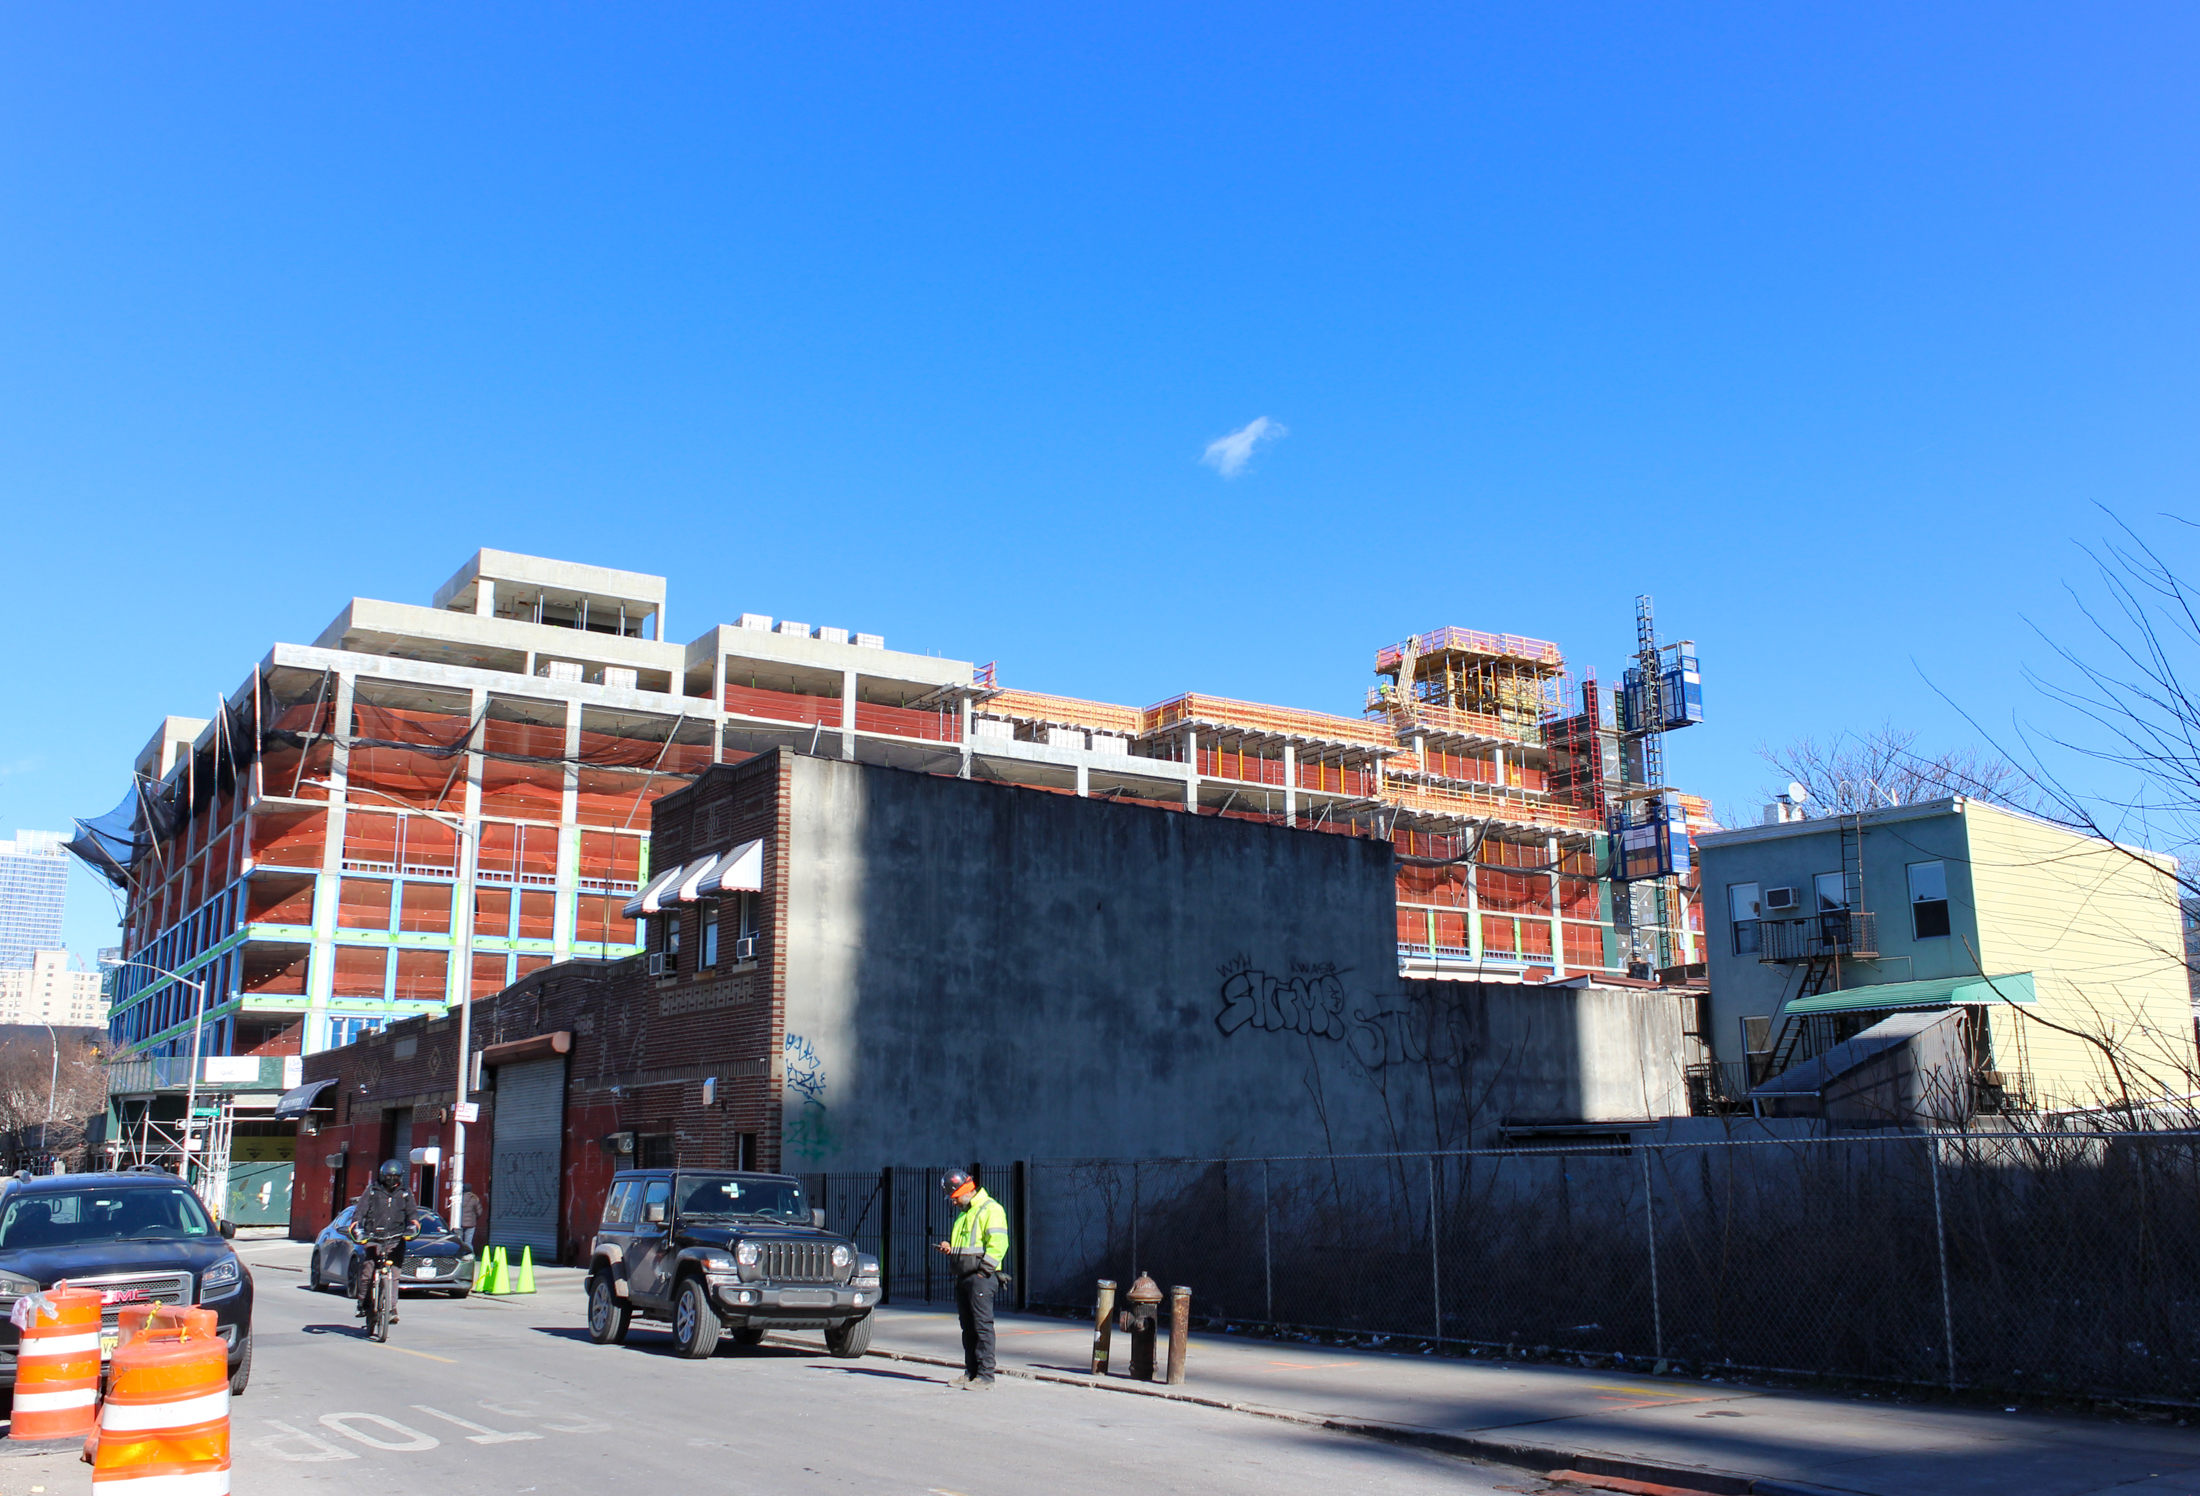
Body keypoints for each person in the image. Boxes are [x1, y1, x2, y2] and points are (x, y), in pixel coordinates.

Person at [933, 1169, 1009, 1389]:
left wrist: (984, 1271)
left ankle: (986, 1376)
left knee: (982, 1326)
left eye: (954, 1197)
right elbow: (968, 1246)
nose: (953, 1202)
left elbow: (999, 1244)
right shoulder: (965, 1213)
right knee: (968, 1327)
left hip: (980, 1278)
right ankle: (972, 1372)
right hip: (965, 1277)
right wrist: (951, 1249)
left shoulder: (991, 1209)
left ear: (964, 1190)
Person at [349, 1159, 423, 1324]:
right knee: (367, 1272)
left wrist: (413, 1227)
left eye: (395, 1176)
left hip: (396, 1238)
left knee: (394, 1274)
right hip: (373, 1236)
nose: (391, 1179)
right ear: (382, 1175)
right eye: (388, 1176)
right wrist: (357, 1227)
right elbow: (360, 1211)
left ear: (400, 1176)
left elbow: (412, 1213)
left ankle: (391, 1309)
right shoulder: (372, 1190)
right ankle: (362, 1303)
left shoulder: (405, 1192)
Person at [457, 1184, 483, 1250]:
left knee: (458, 1241)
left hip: (459, 1223)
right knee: (468, 1242)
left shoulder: (458, 1198)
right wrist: (474, 1217)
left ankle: (458, 1256)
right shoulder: (474, 1198)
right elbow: (479, 1212)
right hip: (471, 1223)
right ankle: (469, 1257)